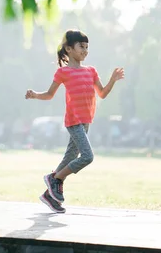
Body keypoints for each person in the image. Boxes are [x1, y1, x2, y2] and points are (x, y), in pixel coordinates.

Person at [25, 30, 124, 213]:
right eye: (81, 46)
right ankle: (55, 179)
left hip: (86, 121)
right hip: (74, 121)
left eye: (87, 47)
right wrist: (34, 95)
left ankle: (49, 195)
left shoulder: (91, 71)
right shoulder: (63, 72)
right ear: (69, 49)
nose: (85, 50)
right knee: (87, 156)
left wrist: (112, 80)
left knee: (69, 157)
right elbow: (49, 95)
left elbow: (102, 93)